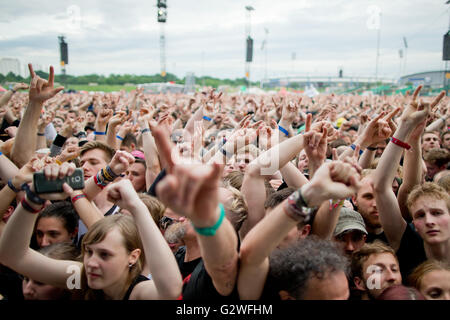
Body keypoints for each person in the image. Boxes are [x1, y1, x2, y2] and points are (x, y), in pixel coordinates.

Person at [0, 163, 182, 300]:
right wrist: (33, 197)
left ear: (132, 256)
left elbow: (171, 290)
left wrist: (137, 207)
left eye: (105, 255)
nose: (92, 263)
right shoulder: (81, 278)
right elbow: (13, 256)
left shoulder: (137, 292)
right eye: (89, 251)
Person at [238, 159, 363, 300]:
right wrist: (311, 192)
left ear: (304, 232)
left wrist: (332, 196)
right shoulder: (259, 280)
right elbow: (251, 252)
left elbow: (326, 220)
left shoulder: (319, 263)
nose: (271, 230)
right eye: (271, 222)